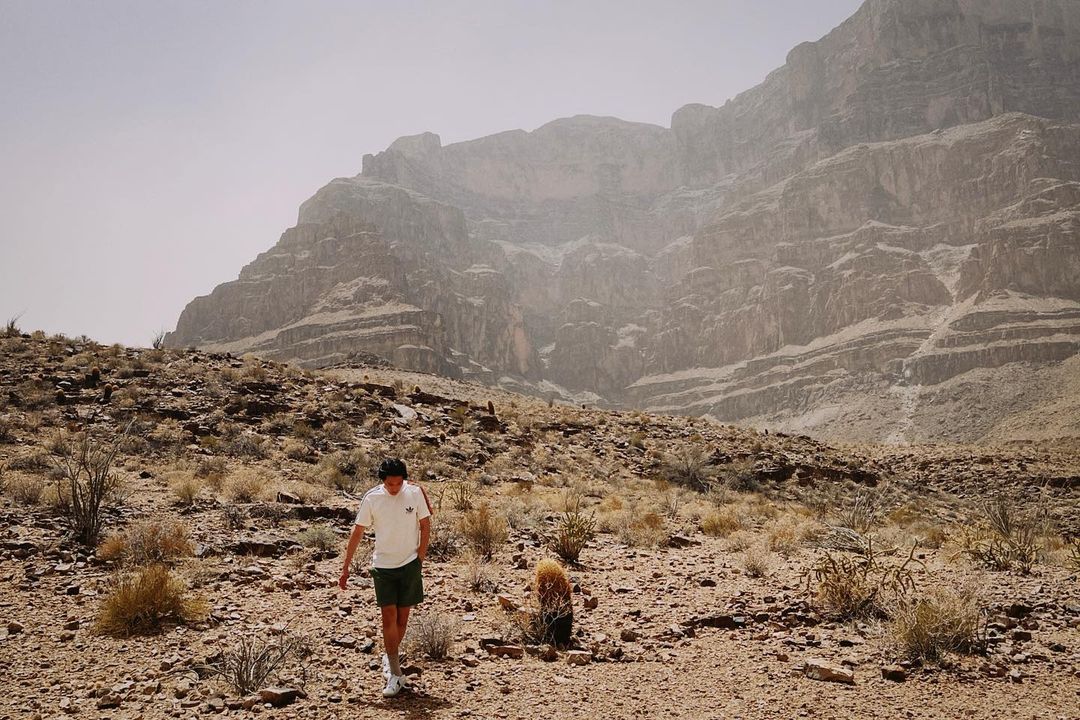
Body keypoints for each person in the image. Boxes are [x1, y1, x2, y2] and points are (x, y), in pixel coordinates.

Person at [338, 458, 431, 697]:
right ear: (383, 481)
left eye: (398, 483)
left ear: (404, 479)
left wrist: (420, 559)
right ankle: (396, 674)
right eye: (390, 484)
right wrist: (346, 565)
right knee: (388, 616)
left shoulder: (415, 492)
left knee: (402, 619)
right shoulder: (372, 498)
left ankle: (389, 658)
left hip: (409, 564)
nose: (394, 488)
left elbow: (425, 524)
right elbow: (358, 531)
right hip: (383, 567)